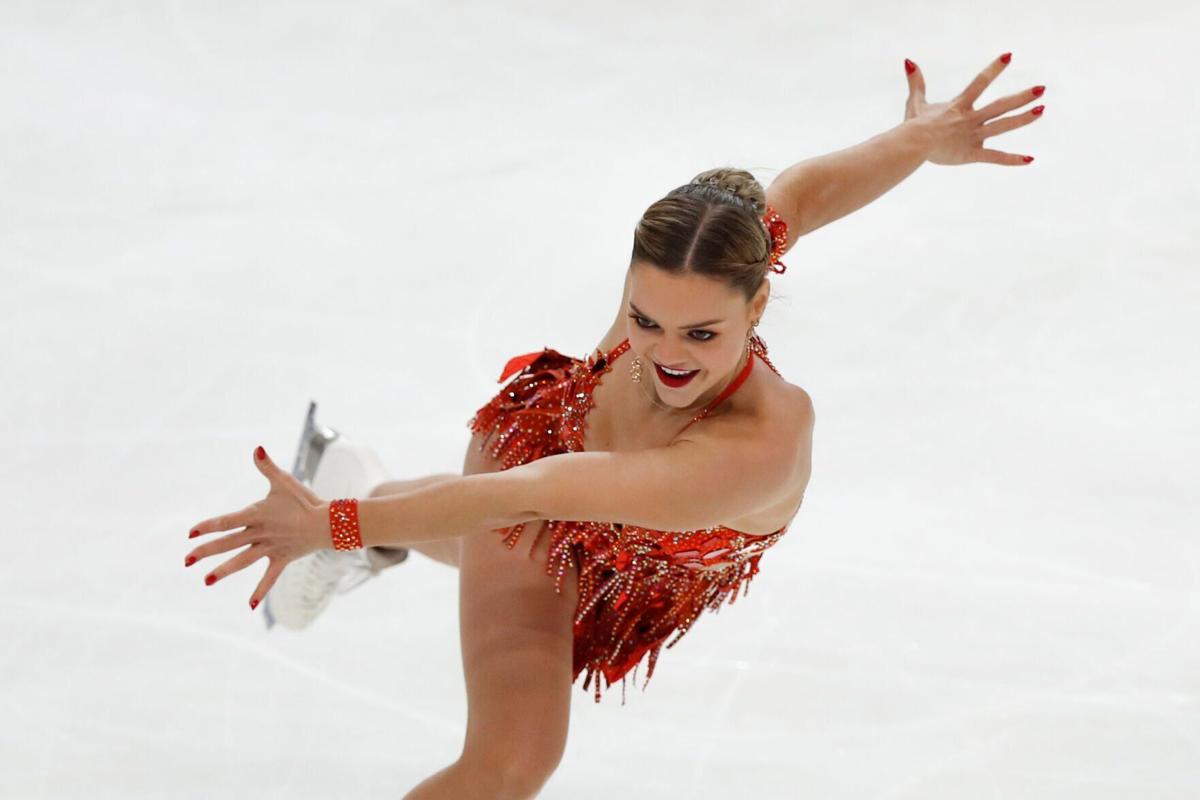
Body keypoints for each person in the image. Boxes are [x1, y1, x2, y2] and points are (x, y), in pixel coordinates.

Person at [186, 53, 1044, 799]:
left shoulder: (753, 448)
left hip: (571, 517)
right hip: (533, 499)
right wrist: (319, 529)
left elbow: (799, 198)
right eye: (644, 320)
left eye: (701, 334)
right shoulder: (699, 311)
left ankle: (363, 503)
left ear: (759, 300)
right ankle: (357, 519)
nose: (665, 356)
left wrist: (917, 144)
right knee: (512, 764)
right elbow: (527, 497)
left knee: (477, 553)